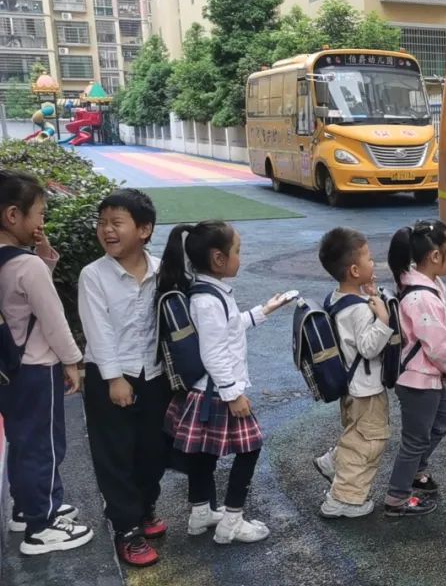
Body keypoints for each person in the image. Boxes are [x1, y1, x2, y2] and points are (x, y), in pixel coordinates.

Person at [157, 221, 291, 544]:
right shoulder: (207, 300)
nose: (239, 258)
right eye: (237, 252)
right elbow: (214, 351)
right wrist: (233, 394)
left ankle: (201, 512)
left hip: (207, 391)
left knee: (204, 455)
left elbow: (228, 329)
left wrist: (264, 310)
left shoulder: (210, 293)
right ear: (218, 259)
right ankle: (232, 520)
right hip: (217, 393)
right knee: (251, 448)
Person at [0, 170, 93, 555]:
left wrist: (43, 255)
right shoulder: (27, 266)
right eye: (39, 213)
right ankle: (42, 525)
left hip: (11, 369)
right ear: (12, 215)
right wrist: (72, 361)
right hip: (38, 368)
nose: (42, 222)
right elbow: (51, 317)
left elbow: (23, 303)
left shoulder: (14, 262)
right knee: (45, 445)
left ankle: (28, 506)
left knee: (23, 442)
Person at [79, 189, 170, 566]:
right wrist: (115, 378)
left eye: (116, 223)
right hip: (109, 376)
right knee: (114, 453)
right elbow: (98, 330)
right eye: (102, 223)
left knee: (153, 449)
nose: (107, 230)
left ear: (144, 229)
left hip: (155, 374)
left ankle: (144, 506)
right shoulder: (94, 275)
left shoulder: (163, 269)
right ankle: (126, 528)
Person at [312, 227, 393, 519]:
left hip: (350, 387)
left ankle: (335, 461)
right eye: (370, 259)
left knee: (356, 435)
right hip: (366, 389)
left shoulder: (337, 298)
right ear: (355, 269)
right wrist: (383, 318)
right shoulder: (359, 310)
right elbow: (370, 347)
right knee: (369, 442)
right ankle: (341, 501)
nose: (375, 264)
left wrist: (368, 296)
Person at [384, 219, 446, 516]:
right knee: (415, 439)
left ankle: (417, 470)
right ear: (435, 257)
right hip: (418, 379)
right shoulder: (421, 297)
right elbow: (436, 342)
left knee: (443, 420)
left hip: (426, 376)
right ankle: (397, 497)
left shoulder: (423, 283)